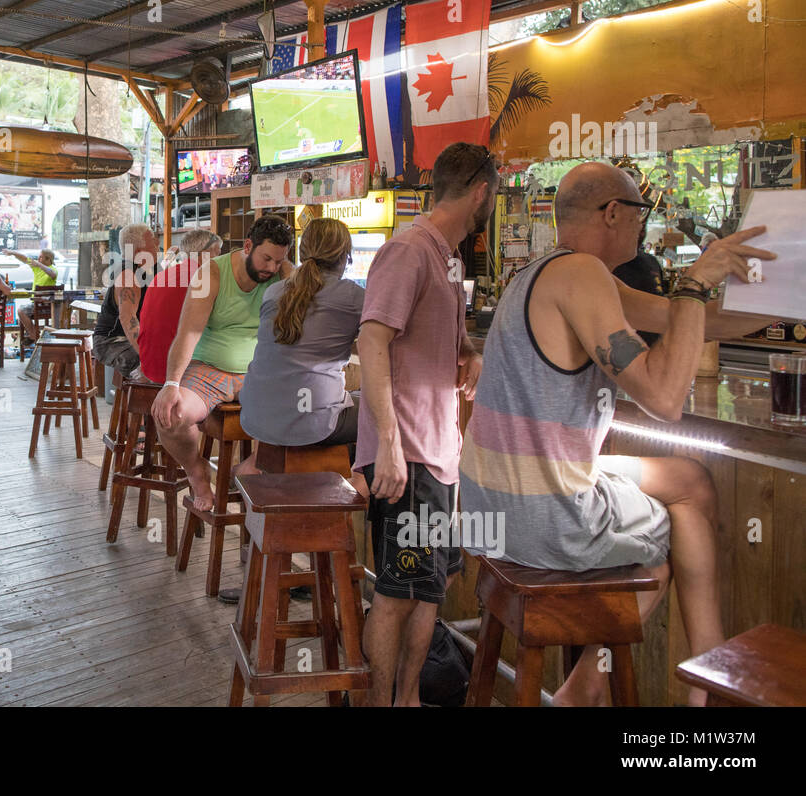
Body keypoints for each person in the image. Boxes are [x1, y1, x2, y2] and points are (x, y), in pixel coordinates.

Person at [459, 160, 775, 706]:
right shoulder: (581, 274)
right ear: (612, 212)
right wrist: (697, 278)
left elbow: (683, 317)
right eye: (640, 214)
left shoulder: (548, 273)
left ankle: (708, 683)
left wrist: (783, 303)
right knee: (664, 539)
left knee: (690, 481)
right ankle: (598, 692)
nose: (643, 226)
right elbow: (664, 399)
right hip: (541, 513)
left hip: (488, 505)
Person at [356, 142, 495, 707]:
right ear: (481, 193)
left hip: (435, 451)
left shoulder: (442, 257)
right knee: (396, 593)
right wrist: (388, 443)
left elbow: (428, 337)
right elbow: (372, 339)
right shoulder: (409, 250)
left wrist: (468, 352)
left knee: (427, 592)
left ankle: (408, 698)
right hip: (408, 453)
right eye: (494, 194)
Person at [151, 214, 294, 512]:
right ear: (247, 246)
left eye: (278, 261)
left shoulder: (285, 276)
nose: (271, 268)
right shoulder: (210, 274)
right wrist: (172, 383)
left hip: (257, 374)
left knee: (304, 409)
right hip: (208, 370)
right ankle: (197, 472)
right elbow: (188, 332)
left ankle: (249, 468)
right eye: (266, 258)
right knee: (170, 415)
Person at [239, 218, 364, 463]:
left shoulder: (274, 291)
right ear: (344, 256)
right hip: (312, 424)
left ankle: (257, 466)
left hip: (255, 414)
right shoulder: (353, 296)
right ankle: (355, 488)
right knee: (389, 412)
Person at [137, 229, 221, 385]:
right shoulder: (203, 277)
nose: (221, 258)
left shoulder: (162, 275)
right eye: (218, 252)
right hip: (176, 372)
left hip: (150, 364)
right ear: (206, 252)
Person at [91, 224, 157, 380]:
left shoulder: (142, 272)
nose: (157, 245)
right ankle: (139, 402)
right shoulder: (128, 275)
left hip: (125, 338)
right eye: (153, 242)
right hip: (111, 341)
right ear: (140, 252)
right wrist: (147, 355)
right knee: (157, 364)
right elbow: (127, 318)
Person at [613, 217, 666, 346]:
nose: (640, 233)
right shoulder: (609, 264)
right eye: (637, 227)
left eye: (643, 229)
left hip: (653, 345)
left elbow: (661, 295)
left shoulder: (650, 261)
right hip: (627, 348)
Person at [9, 247, 59, 346]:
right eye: (39, 257)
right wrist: (13, 253)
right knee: (21, 318)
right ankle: (32, 334)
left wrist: (39, 264)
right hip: (36, 304)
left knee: (21, 311)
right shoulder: (37, 268)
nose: (38, 259)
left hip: (47, 306)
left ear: (48, 259)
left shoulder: (53, 270)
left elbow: (52, 274)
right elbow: (24, 258)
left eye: (41, 257)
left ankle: (33, 335)